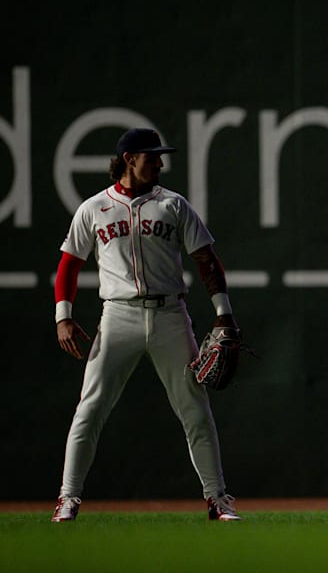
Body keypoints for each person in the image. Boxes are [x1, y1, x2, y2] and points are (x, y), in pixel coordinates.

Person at [51, 128, 242, 522]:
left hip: (171, 315)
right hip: (118, 315)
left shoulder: (173, 204)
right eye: (151, 156)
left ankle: (217, 499)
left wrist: (223, 312)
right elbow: (69, 264)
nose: (159, 163)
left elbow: (206, 260)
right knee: (90, 409)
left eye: (159, 156)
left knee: (195, 410)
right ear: (129, 159)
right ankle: (68, 498)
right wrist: (63, 316)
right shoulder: (94, 208)